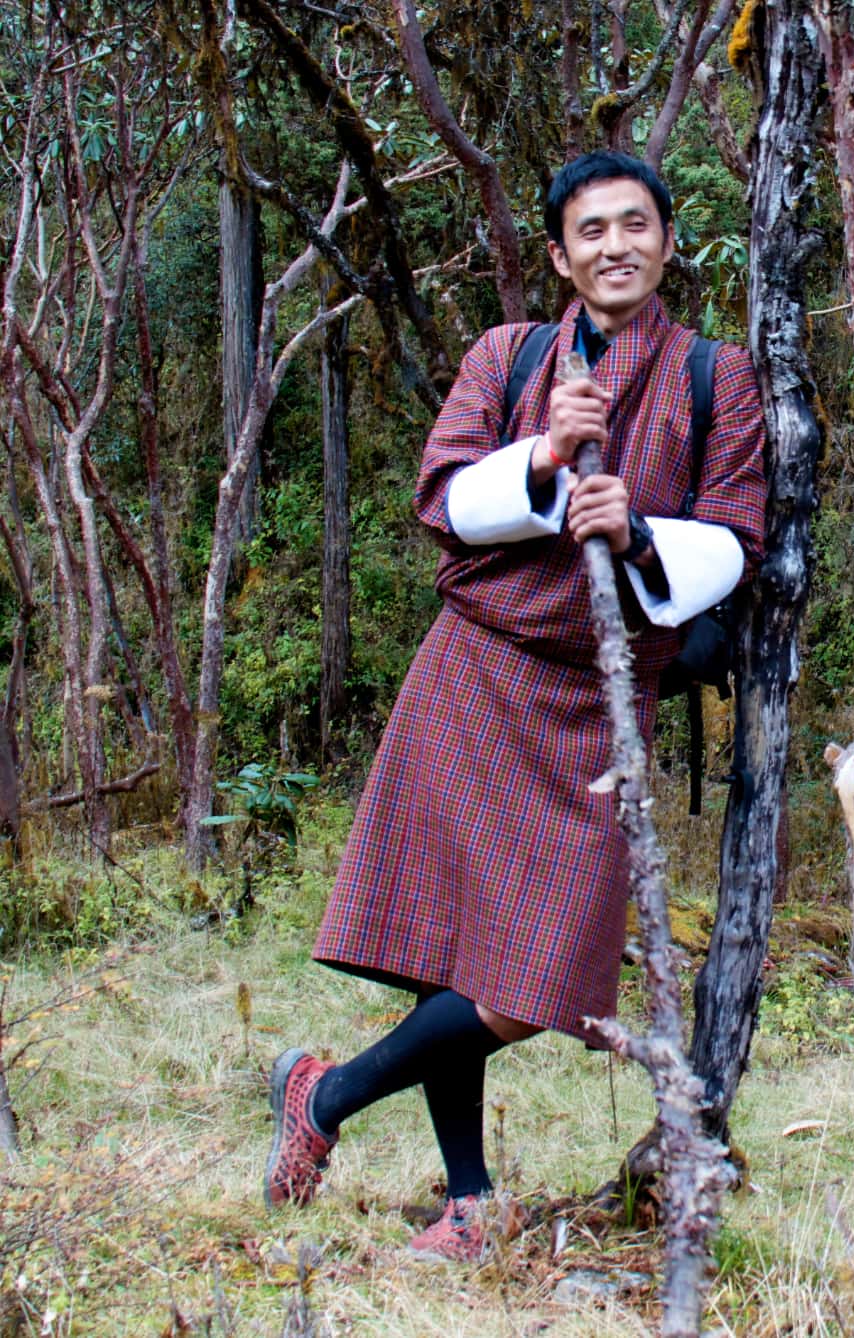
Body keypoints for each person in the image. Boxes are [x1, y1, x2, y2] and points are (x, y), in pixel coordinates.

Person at [260, 151, 767, 1263]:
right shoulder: (510, 357)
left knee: (537, 973)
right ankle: (471, 1200)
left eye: (635, 225)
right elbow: (440, 492)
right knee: (466, 949)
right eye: (590, 231)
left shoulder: (713, 375)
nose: (614, 246)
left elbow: (736, 532)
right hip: (479, 668)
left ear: (669, 241)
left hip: (601, 700)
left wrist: (631, 531)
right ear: (558, 254)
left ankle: (325, 1095)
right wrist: (540, 459)